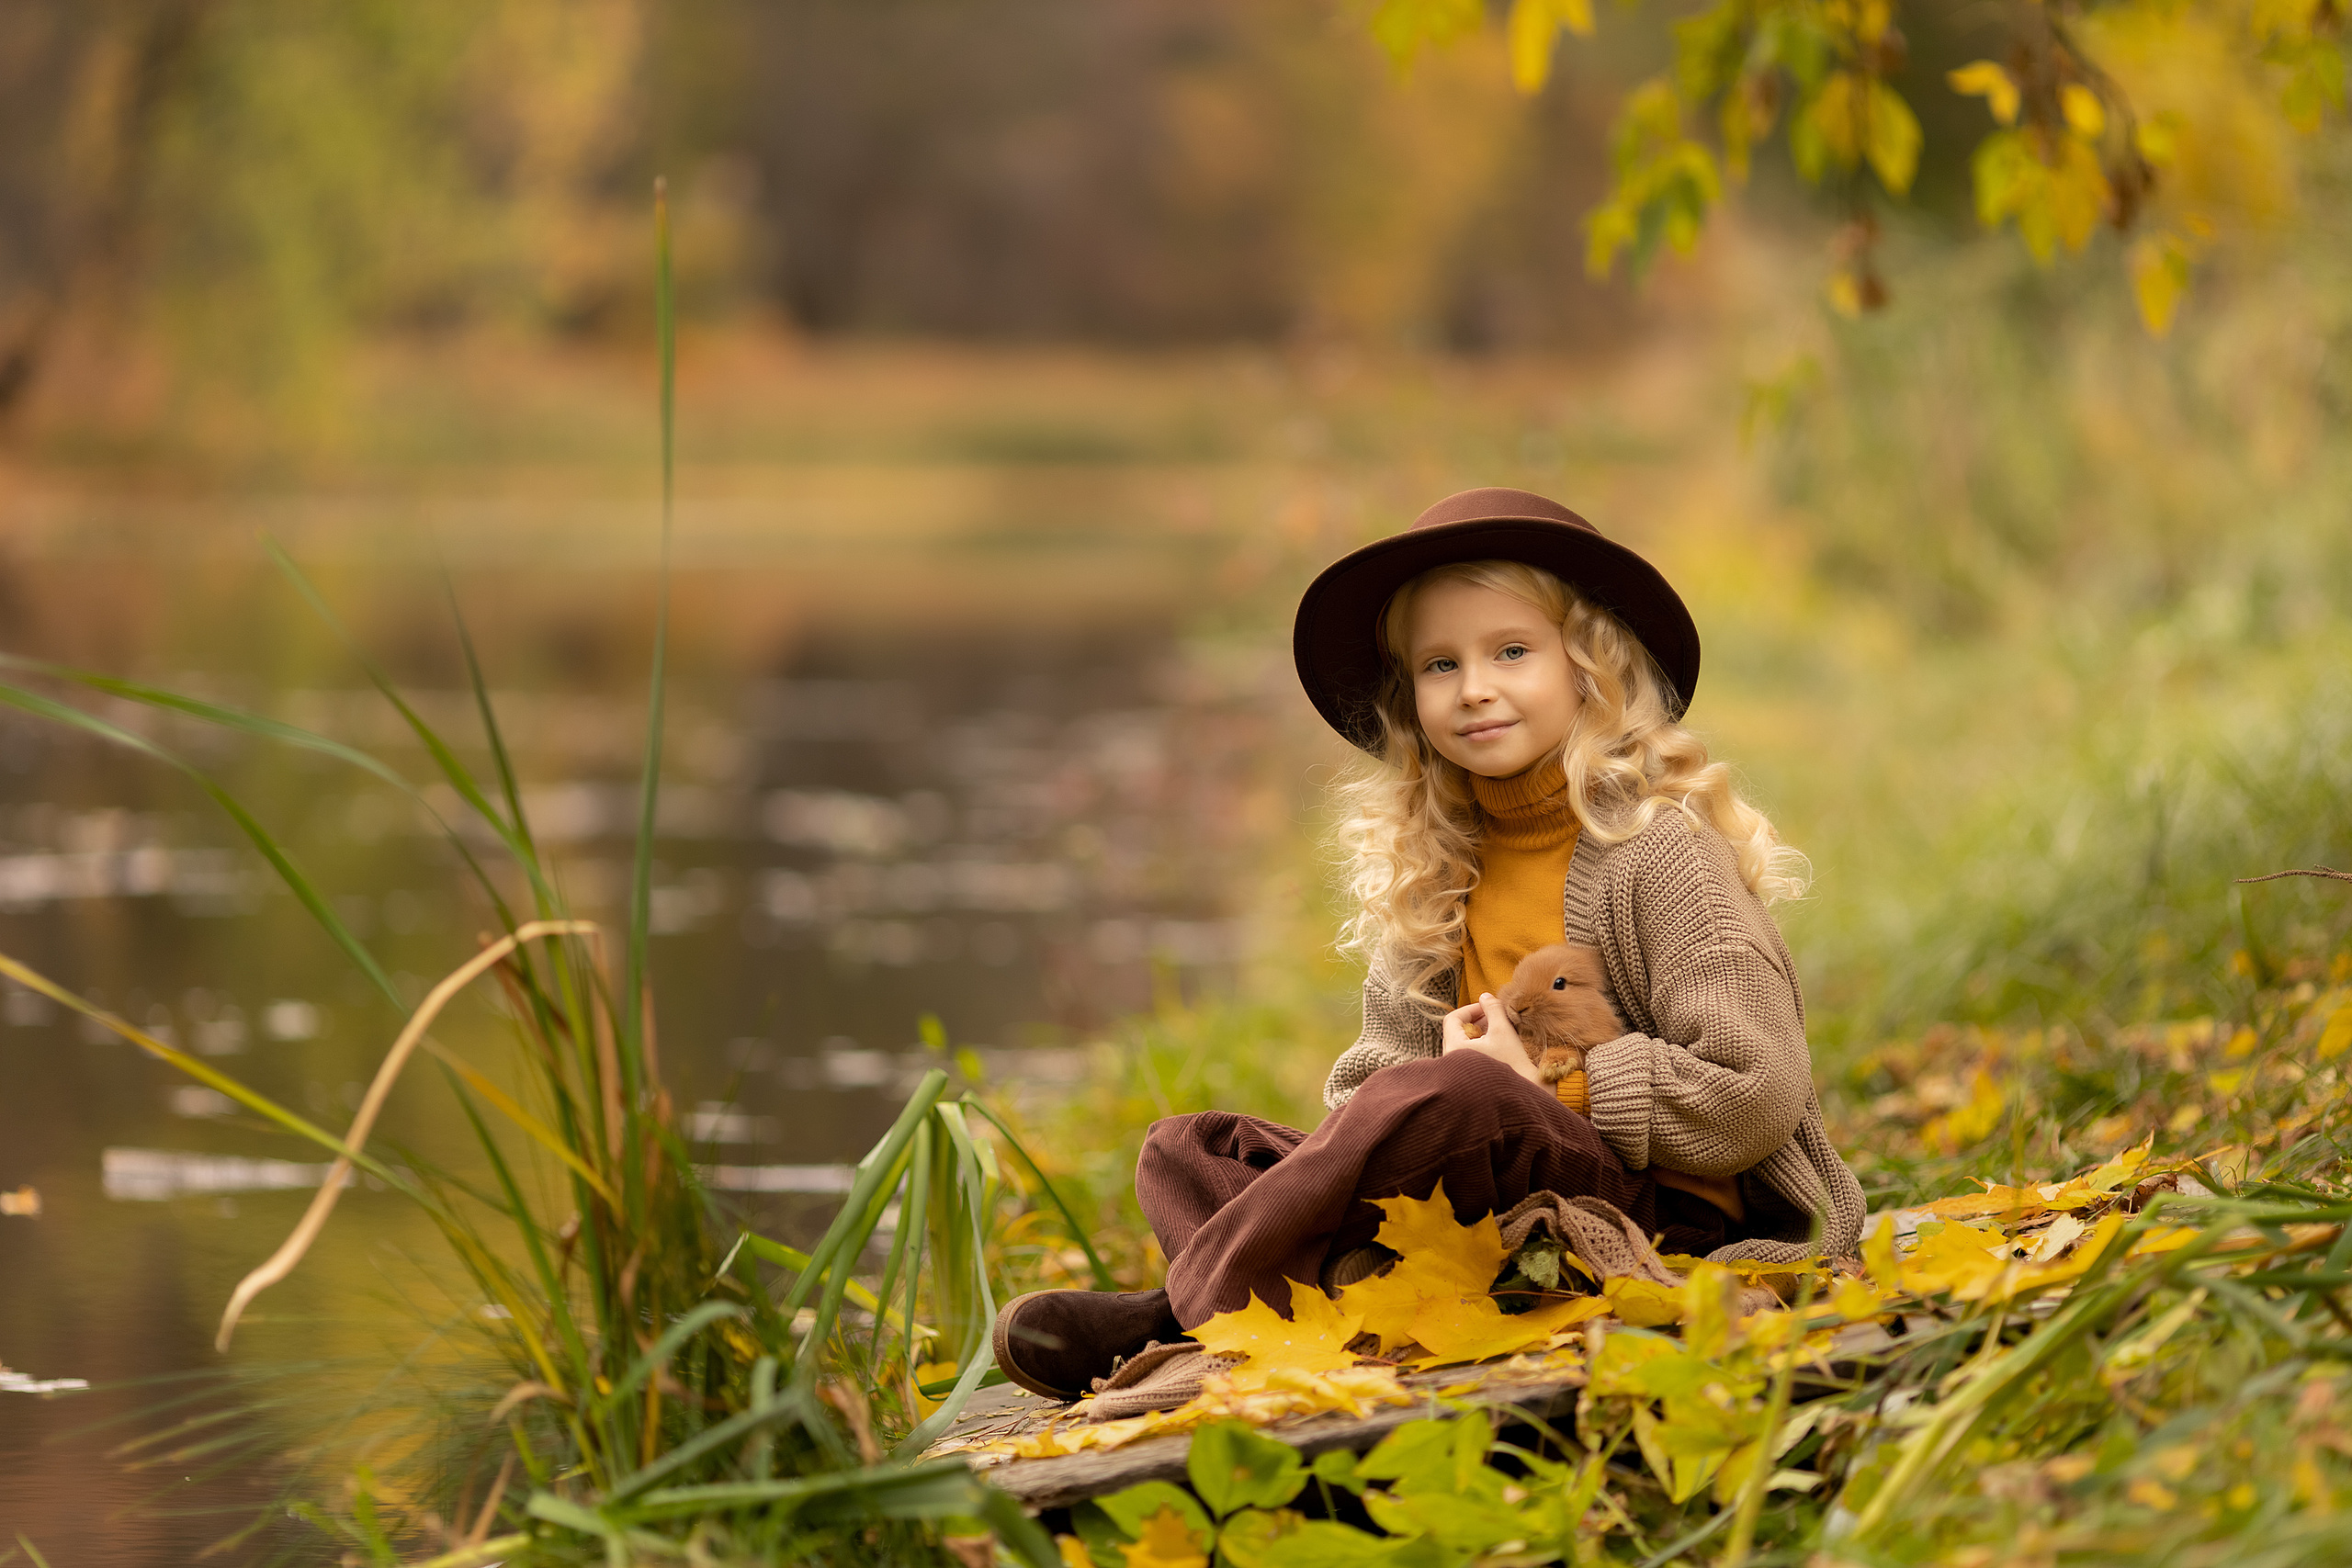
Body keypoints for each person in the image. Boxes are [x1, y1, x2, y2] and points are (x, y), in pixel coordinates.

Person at [990, 487, 1865, 1405]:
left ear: (1589, 670)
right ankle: (1248, 1301)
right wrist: (1415, 1098)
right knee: (1185, 1147)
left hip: (1659, 1216)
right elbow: (1369, 1097)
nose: (1474, 687)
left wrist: (1543, 1087)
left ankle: (1184, 1321)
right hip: (1482, 1209)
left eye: (1511, 652)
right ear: (1410, 699)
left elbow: (1756, 1089)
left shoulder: (1657, 854)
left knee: (1464, 1093)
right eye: (1439, 665)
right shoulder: (1439, 867)